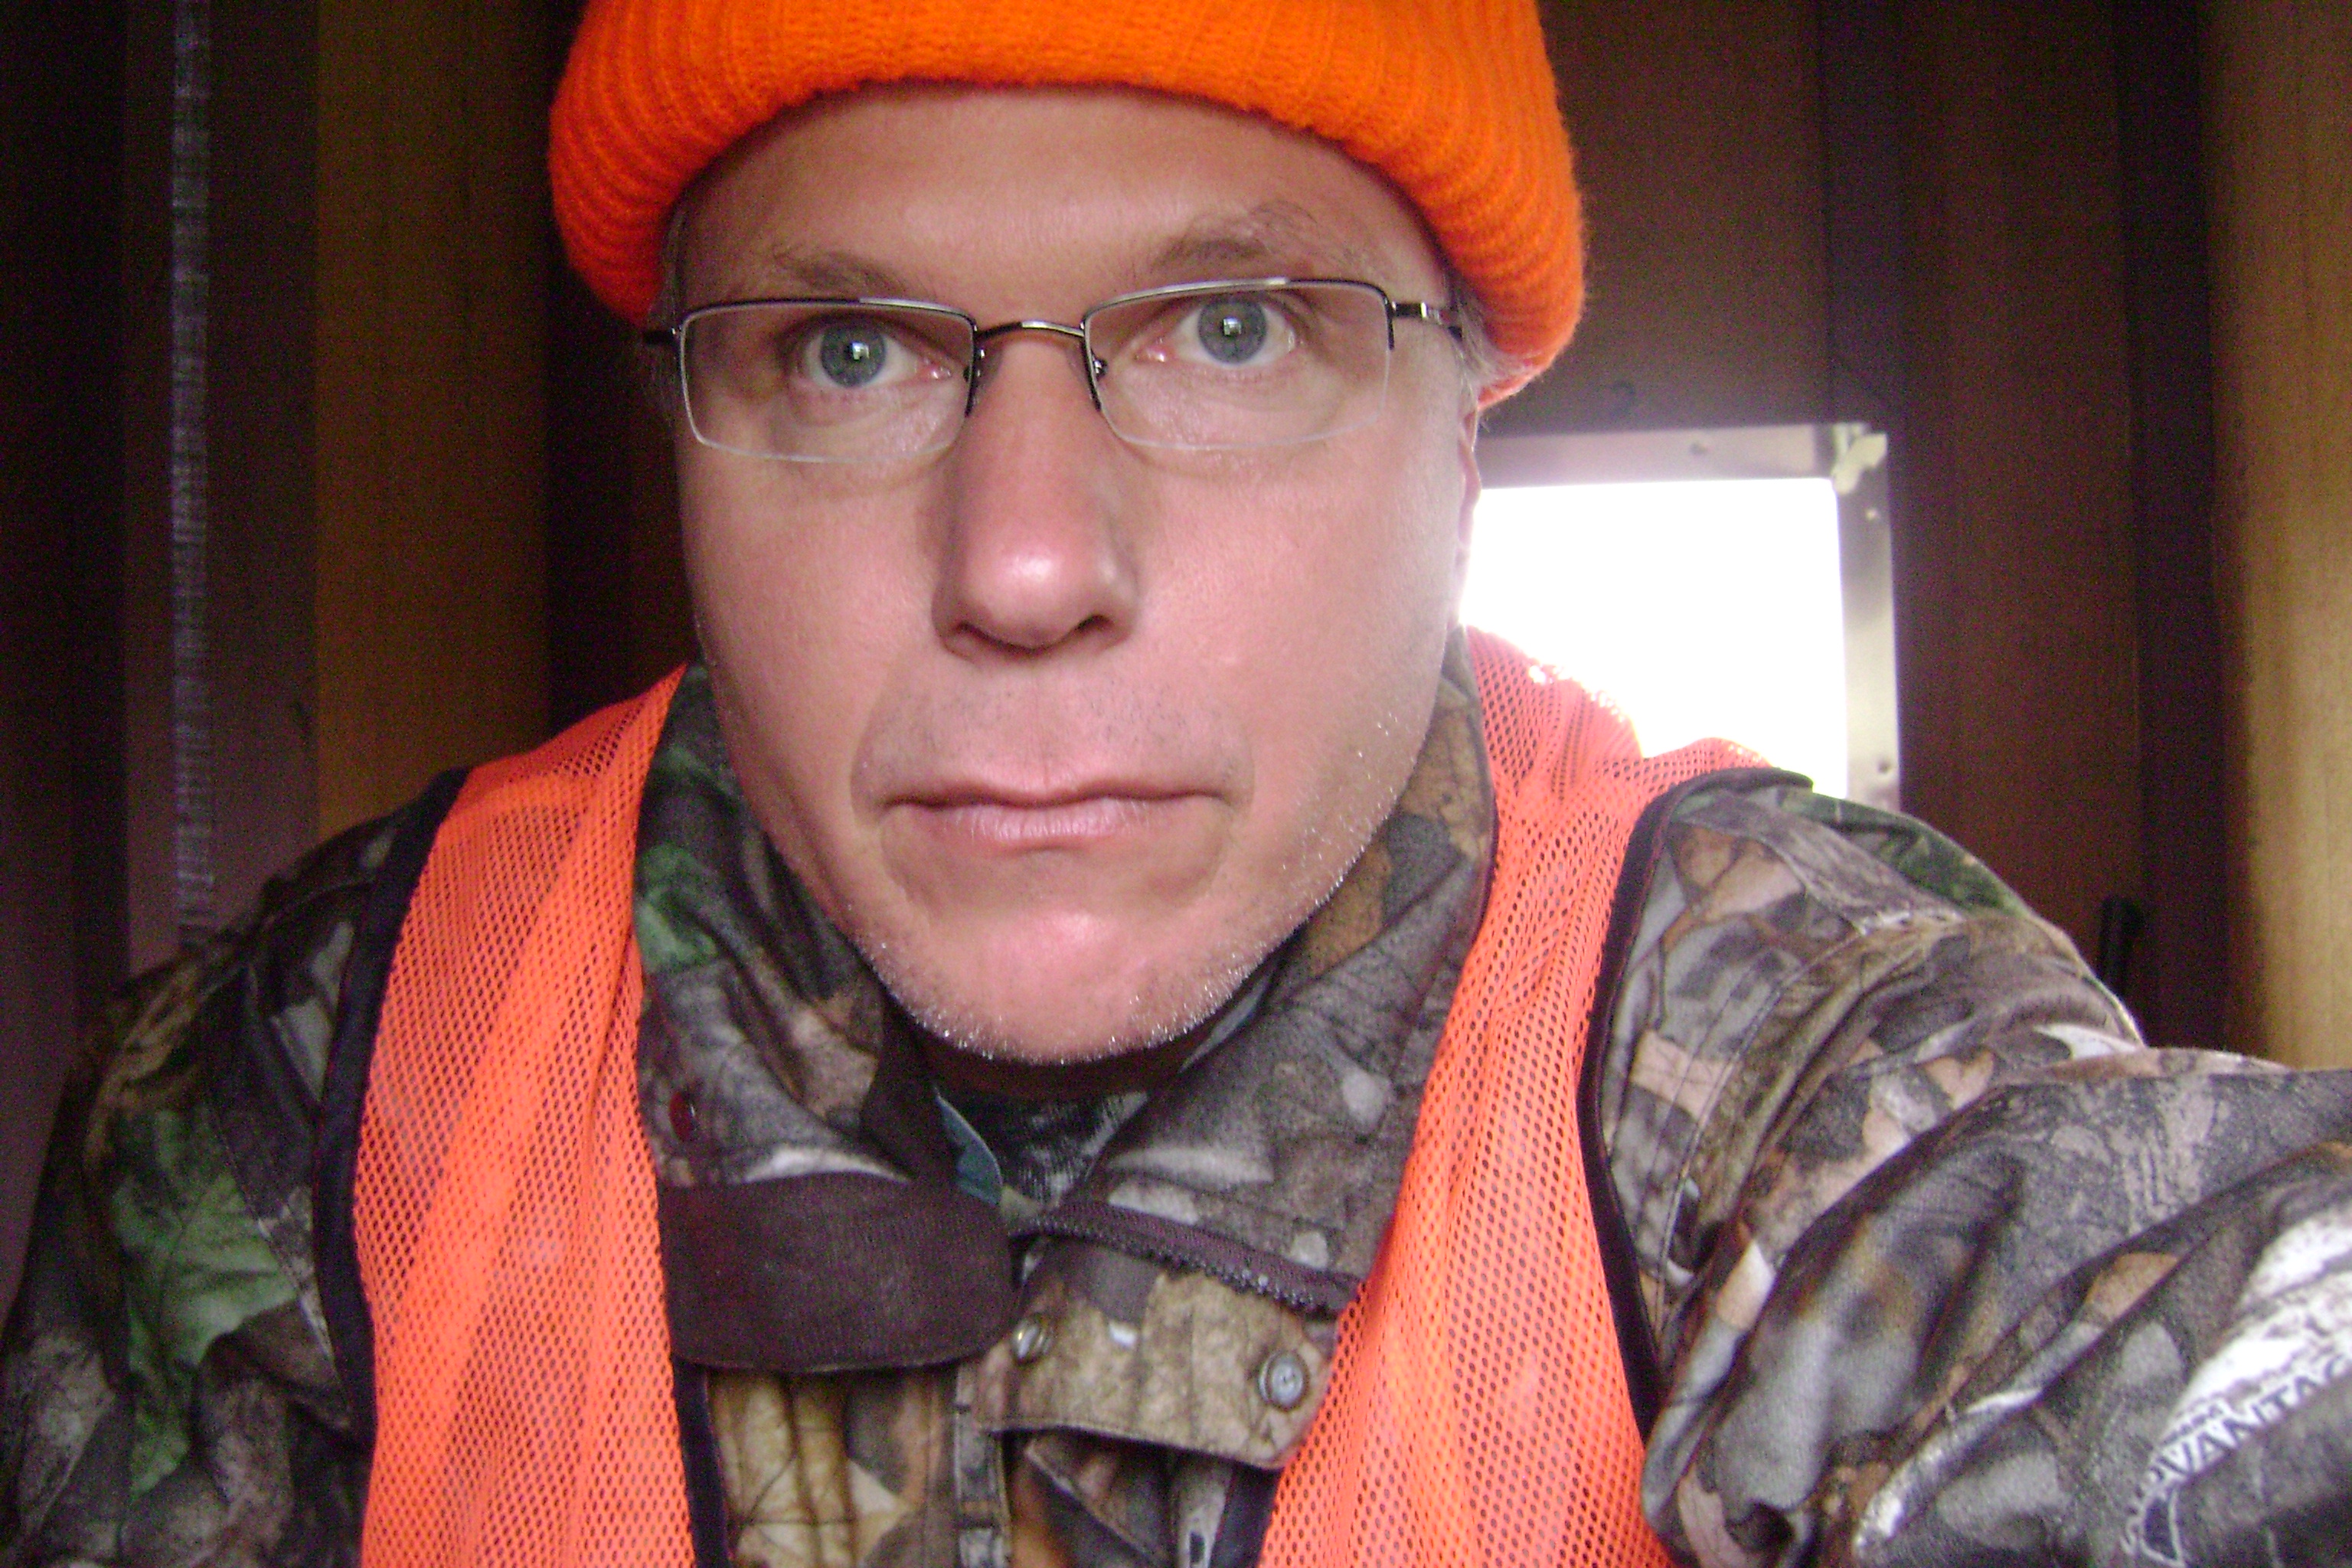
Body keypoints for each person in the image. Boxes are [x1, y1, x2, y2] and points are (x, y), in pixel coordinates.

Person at [8, 2, 2352, 1564]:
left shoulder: (1780, 1030)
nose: (1025, 563)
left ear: (1465, 430)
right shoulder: (310, 1080)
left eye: (1231, 328)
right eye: (847, 349)